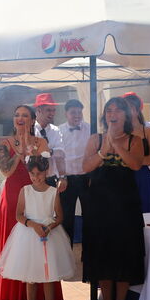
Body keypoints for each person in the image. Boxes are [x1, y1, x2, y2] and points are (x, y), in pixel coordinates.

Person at [82, 97, 147, 300]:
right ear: (104, 116)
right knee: (103, 254)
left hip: (125, 205)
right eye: (109, 110)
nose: (113, 114)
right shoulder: (95, 139)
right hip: (99, 206)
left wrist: (117, 144)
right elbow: (85, 167)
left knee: (124, 255)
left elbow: (136, 165)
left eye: (117, 110)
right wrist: (103, 151)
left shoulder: (134, 140)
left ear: (125, 116)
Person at [0, 155, 73, 300]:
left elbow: (59, 217)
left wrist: (49, 227)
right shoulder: (25, 190)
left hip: (48, 235)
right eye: (32, 173)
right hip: (29, 235)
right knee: (30, 275)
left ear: (46, 172)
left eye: (39, 173)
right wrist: (32, 225)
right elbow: (18, 215)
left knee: (48, 275)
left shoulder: (53, 192)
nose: (35, 177)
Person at [0, 105, 51, 300]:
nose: (20, 118)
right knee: (13, 241)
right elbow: (6, 172)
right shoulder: (4, 143)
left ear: (33, 120)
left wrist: (31, 148)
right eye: (17, 115)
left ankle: (38, 298)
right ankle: (12, 294)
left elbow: (45, 169)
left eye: (25, 115)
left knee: (36, 241)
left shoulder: (41, 142)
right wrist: (19, 152)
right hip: (13, 194)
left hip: (35, 193)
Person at [121, 92, 150, 213]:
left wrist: (129, 161)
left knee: (148, 212)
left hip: (144, 176)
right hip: (123, 176)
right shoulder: (119, 131)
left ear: (136, 110)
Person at [58, 99, 91, 244]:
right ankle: (66, 252)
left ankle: (89, 252)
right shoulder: (58, 131)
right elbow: (57, 156)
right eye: (73, 112)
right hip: (67, 179)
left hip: (86, 178)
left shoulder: (90, 128)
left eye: (79, 112)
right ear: (66, 114)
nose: (77, 115)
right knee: (66, 217)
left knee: (90, 215)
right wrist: (62, 177)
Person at [32, 92, 66, 180]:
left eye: (53, 110)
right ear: (39, 110)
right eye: (48, 110)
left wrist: (62, 177)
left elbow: (61, 154)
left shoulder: (55, 130)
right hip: (34, 179)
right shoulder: (30, 130)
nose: (52, 113)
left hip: (51, 178)